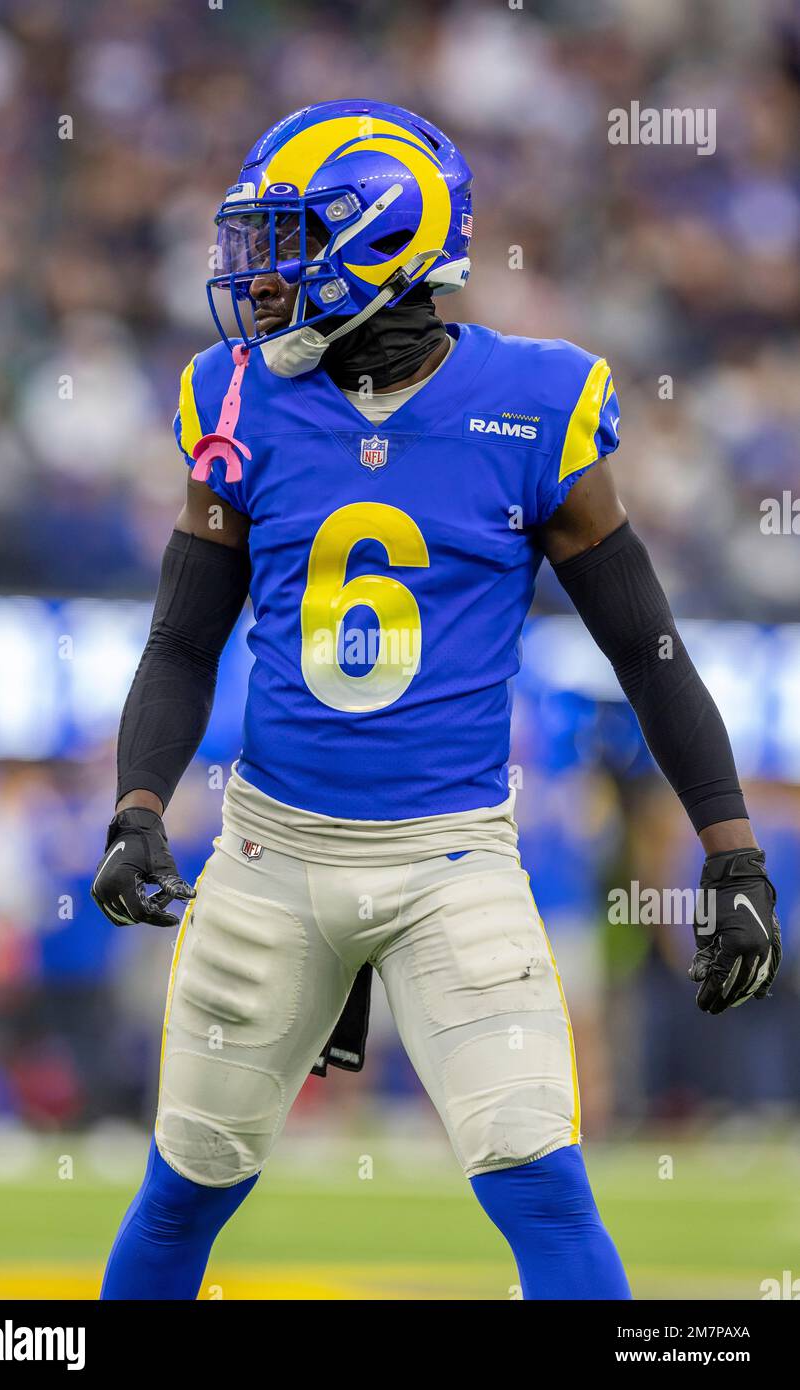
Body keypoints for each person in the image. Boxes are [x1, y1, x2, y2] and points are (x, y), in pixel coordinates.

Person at [93, 100, 779, 1300]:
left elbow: (645, 647)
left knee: (541, 1183)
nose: (254, 275)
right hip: (267, 851)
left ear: (380, 245)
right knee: (186, 1184)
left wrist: (731, 852)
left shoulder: (532, 402)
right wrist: (137, 803)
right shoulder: (238, 397)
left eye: (287, 239)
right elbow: (180, 635)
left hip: (451, 859)